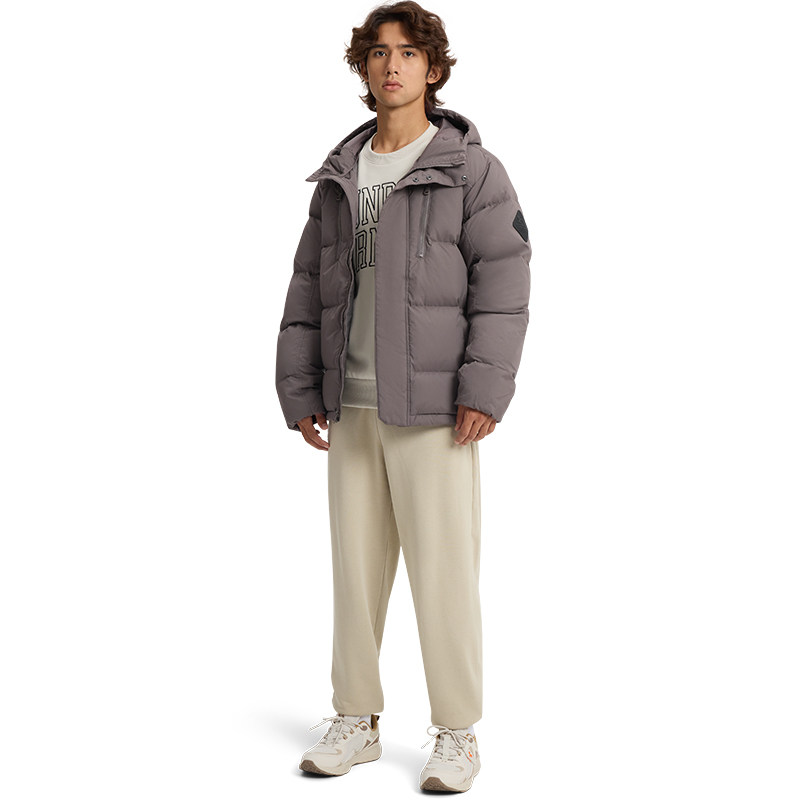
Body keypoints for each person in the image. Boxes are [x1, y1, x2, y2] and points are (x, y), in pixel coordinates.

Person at [275, 1, 531, 791]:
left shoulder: (469, 169)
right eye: (380, 52)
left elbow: (504, 283)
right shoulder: (340, 173)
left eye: (410, 53)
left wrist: (484, 387)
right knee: (353, 574)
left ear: (434, 69)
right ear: (364, 67)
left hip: (436, 411)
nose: (393, 65)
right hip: (350, 403)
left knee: (444, 572)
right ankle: (356, 718)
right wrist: (300, 386)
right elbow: (308, 283)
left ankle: (457, 733)